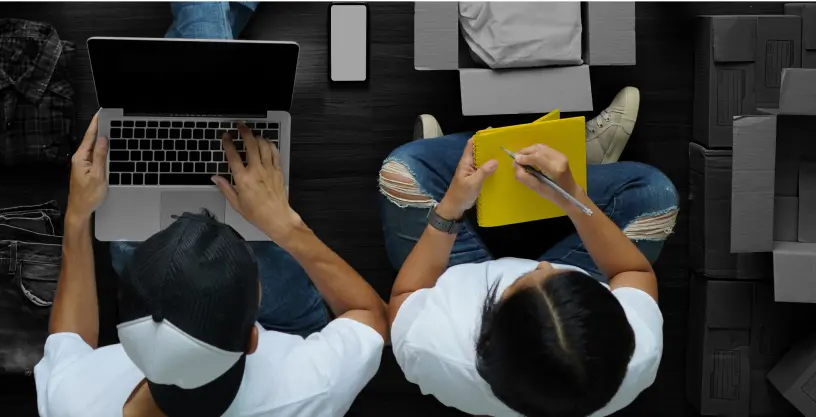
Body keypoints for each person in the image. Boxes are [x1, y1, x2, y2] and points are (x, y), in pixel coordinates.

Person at [34, 115, 388, 417]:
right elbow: (370, 314)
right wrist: (286, 226)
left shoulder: (73, 402)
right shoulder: (311, 388)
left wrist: (78, 217)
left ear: (127, 335)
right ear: (253, 339)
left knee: (127, 241)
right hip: (294, 327)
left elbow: (70, 342)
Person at [380, 88, 678, 417]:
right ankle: (578, 158)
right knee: (654, 194)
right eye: (554, 275)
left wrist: (450, 207)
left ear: (486, 341)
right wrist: (572, 197)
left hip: (448, 273)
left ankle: (453, 159)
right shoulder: (635, 353)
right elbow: (632, 273)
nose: (542, 266)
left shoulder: (433, 348)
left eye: (513, 286)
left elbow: (408, 293)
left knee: (404, 171)